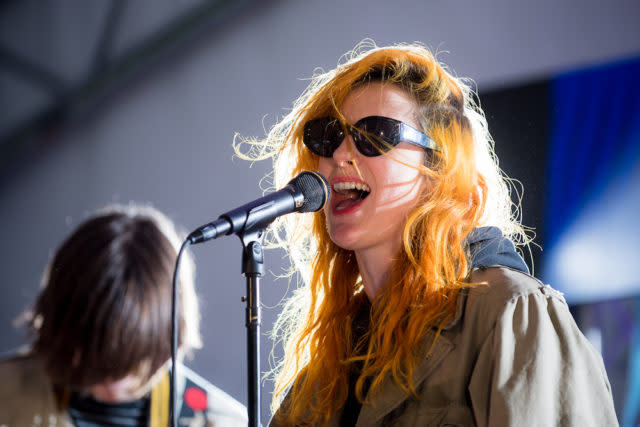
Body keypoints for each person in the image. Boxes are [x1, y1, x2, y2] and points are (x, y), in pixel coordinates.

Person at [236, 41, 618, 426]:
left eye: (375, 135)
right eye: (328, 136)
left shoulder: (510, 313)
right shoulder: (326, 372)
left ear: (437, 173)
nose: (339, 155)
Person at [0, 204, 247, 427]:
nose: (113, 383)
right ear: (59, 326)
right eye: (94, 357)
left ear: (173, 338)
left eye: (133, 362)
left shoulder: (225, 422)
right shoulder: (6, 394)